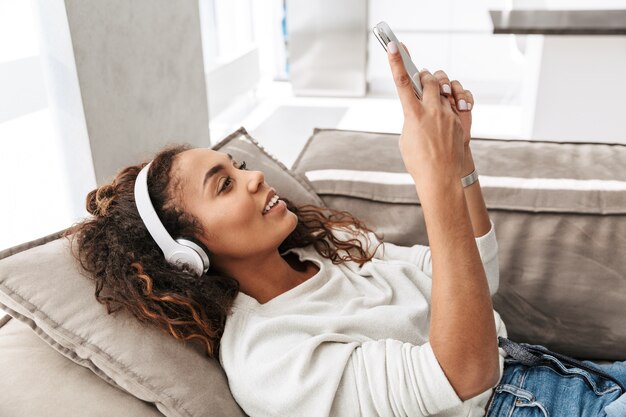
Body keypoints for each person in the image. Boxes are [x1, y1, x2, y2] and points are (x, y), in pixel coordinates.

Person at [66, 40, 626, 417]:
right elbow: (463, 376)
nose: (255, 177)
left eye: (237, 167)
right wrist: (432, 184)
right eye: (224, 185)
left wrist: (458, 163)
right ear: (189, 253)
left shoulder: (329, 249)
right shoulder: (269, 357)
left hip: (562, 371)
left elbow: (482, 276)